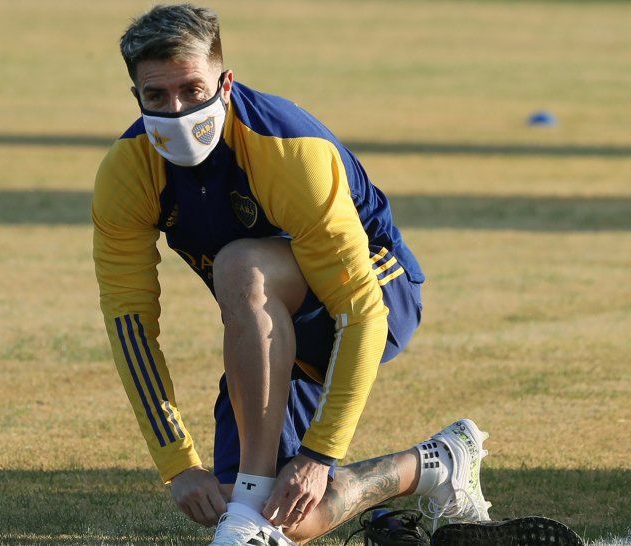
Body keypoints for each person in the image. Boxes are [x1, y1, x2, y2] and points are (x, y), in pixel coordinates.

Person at [92, 4, 490, 545]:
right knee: (288, 520)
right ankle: (436, 465)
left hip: (377, 295)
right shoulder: (127, 172)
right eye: (156, 97)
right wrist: (178, 463)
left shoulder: (288, 150)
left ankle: (253, 489)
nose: (177, 110)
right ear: (136, 97)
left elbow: (361, 308)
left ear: (225, 83)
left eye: (191, 89)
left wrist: (319, 453)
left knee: (240, 263)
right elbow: (130, 325)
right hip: (270, 332)